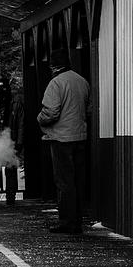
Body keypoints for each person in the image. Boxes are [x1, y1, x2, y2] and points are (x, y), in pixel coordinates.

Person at [37, 49, 90, 234]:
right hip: (80, 137)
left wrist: (39, 119)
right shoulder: (82, 81)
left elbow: (50, 112)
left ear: (53, 66)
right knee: (77, 180)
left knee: (64, 182)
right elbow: (88, 108)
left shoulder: (56, 83)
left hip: (61, 139)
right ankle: (77, 221)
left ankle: (67, 222)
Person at [0, 77, 19, 205]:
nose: (1, 89)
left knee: (10, 168)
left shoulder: (15, 103)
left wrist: (19, 140)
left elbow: (20, 123)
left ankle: (10, 196)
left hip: (10, 138)